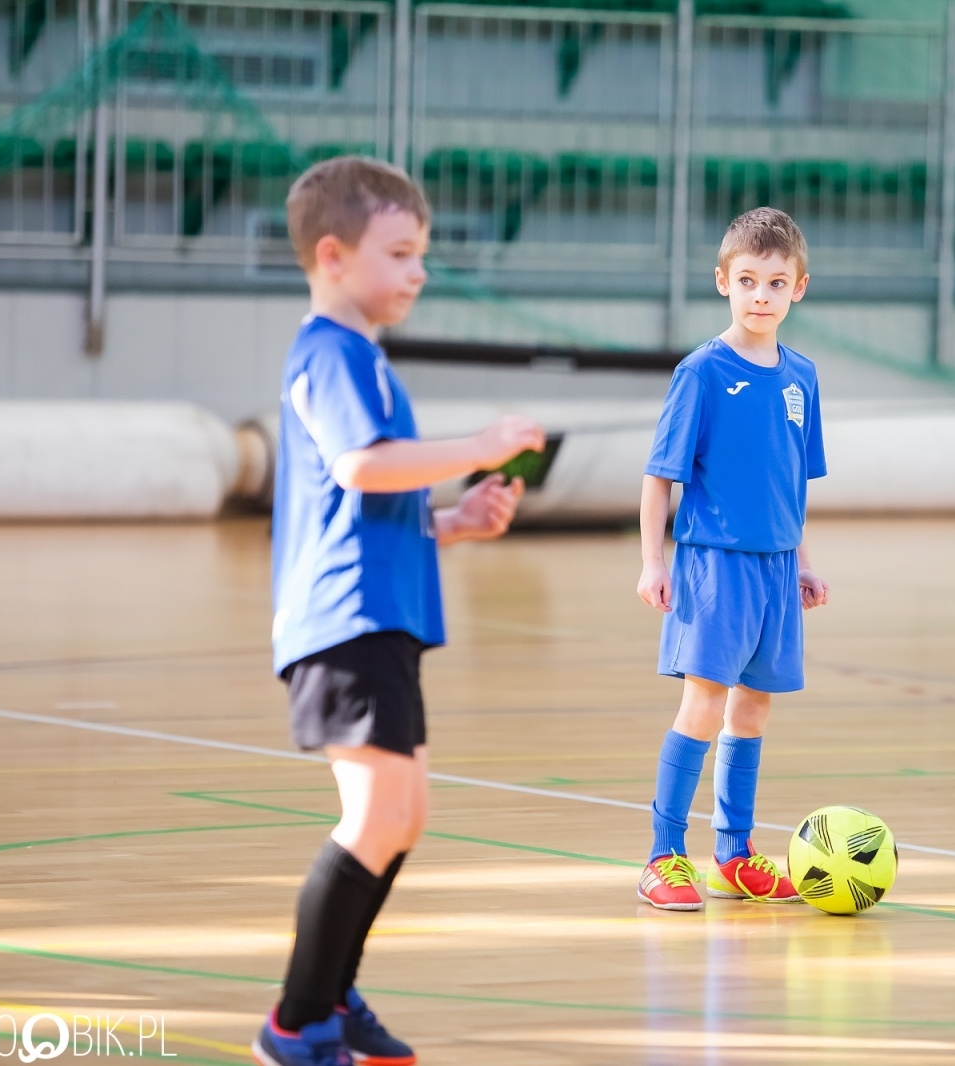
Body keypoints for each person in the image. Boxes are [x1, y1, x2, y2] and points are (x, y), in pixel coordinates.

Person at [257, 155, 545, 1066]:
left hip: (383, 610)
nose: (418, 270)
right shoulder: (331, 352)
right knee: (380, 816)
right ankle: (295, 1023)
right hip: (347, 617)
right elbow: (361, 466)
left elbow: (368, 498)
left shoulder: (364, 358)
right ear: (333, 255)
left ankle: (333, 997)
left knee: (402, 815)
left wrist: (452, 521)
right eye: (400, 252)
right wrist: (478, 446)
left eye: (422, 253)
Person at [634, 206, 830, 910]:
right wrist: (653, 562)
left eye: (776, 283)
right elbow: (660, 476)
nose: (760, 296)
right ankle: (662, 857)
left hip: (777, 568)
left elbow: (792, 483)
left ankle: (733, 853)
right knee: (703, 705)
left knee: (752, 711)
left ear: (798, 289)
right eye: (747, 280)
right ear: (723, 281)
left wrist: (803, 560)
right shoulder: (701, 373)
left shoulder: (802, 377)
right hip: (714, 566)